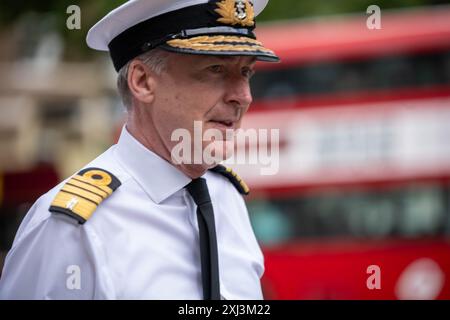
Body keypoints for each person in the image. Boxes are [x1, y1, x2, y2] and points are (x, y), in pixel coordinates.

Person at [0, 0, 279, 299]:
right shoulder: (72, 229)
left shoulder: (226, 197)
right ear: (143, 81)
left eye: (246, 72)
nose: (244, 96)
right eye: (215, 69)